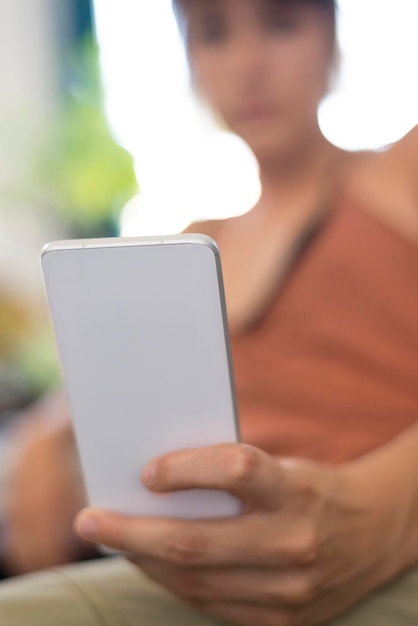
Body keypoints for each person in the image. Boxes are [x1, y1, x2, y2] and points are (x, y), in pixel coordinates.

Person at [1, 0, 418, 623]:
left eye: (281, 23)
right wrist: (49, 430)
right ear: (192, 62)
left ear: (331, 37)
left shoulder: (400, 174)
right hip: (204, 562)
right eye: (213, 34)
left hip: (376, 565)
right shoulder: (198, 241)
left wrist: (391, 507)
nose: (248, 65)